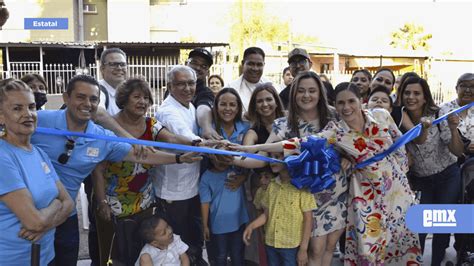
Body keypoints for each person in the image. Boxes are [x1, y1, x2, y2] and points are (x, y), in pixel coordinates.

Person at [234, 82, 423, 265]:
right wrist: (256, 146)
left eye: (351, 101)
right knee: (369, 248)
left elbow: (400, 140)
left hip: (397, 190)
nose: (346, 107)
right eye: (341, 103)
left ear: (361, 101)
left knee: (400, 242)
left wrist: (400, 171)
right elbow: (297, 143)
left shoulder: (381, 115)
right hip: (366, 194)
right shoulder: (336, 131)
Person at [30, 74, 202, 265]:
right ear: (66, 98)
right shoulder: (39, 121)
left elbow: (140, 154)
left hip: (69, 211)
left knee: (69, 259)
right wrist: (101, 200)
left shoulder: (101, 136)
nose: (87, 103)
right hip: (33, 209)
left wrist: (180, 157)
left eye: (93, 99)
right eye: (80, 97)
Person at [93, 77, 212, 265]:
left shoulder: (151, 124)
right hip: (113, 202)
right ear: (124, 99)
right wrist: (102, 202)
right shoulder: (109, 127)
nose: (143, 102)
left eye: (146, 98)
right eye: (137, 97)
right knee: (114, 253)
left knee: (141, 250)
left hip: (145, 201)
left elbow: (171, 139)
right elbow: (98, 170)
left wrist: (197, 143)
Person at [0, 79, 74, 266]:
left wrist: (46, 223)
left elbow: (69, 203)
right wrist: (55, 206)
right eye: (17, 108)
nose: (28, 114)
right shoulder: (3, 156)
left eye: (31, 107)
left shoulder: (38, 152)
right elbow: (35, 223)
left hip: (45, 256)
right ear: (1, 116)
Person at [399, 76, 464, 265]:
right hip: (421, 180)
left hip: (447, 176)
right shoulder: (398, 115)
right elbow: (415, 140)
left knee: (442, 226)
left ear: (425, 97)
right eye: (407, 93)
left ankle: (437, 261)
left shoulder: (439, 114)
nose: (411, 97)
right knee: (419, 228)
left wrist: (453, 129)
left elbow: (457, 151)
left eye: (417, 93)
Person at [152, 66, 208, 265]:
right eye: (180, 84)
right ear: (170, 86)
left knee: (193, 239)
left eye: (191, 83)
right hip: (173, 192)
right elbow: (186, 136)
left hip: (192, 187)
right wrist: (212, 145)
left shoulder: (190, 106)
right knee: (176, 244)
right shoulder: (167, 111)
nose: (187, 88)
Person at [243, 151, 316, 266]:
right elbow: (267, 214)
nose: (272, 160)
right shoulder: (271, 185)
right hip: (271, 242)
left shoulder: (301, 187)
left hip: (290, 245)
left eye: (277, 156)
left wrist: (303, 249)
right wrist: (252, 226)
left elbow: (308, 219)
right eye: (271, 157)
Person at [200, 147, 249, 266]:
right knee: (221, 254)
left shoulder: (236, 169)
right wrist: (205, 226)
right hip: (219, 224)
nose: (222, 162)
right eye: (218, 158)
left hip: (239, 221)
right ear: (211, 157)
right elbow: (205, 203)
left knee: (237, 253)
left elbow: (248, 168)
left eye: (224, 158)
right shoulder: (206, 178)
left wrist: (243, 177)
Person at [227, 47, 270, 111]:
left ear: (264, 65)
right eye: (251, 64)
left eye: (259, 65)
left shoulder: (272, 87)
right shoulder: (230, 88)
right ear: (243, 63)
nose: (255, 68)